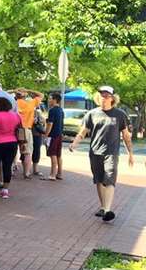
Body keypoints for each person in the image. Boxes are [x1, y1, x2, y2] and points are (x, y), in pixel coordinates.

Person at [69, 86, 134, 222]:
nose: (104, 98)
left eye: (107, 95)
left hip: (111, 152)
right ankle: (103, 207)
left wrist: (130, 154)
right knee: (99, 180)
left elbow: (126, 135)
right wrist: (75, 143)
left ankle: (108, 210)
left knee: (109, 178)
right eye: (102, 95)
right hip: (95, 151)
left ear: (112, 98)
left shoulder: (120, 114)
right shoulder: (92, 114)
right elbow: (83, 132)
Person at [14, 88, 44, 178]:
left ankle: (10, 170)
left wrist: (13, 90)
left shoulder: (13, 103)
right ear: (25, 95)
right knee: (27, 152)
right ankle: (26, 172)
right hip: (26, 129)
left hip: (14, 129)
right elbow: (41, 95)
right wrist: (28, 90)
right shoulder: (30, 103)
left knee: (13, 150)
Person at [43, 93, 65, 181]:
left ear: (55, 100)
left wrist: (46, 135)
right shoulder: (61, 110)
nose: (49, 100)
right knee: (58, 155)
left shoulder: (52, 110)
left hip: (53, 135)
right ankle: (59, 174)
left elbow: (50, 124)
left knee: (53, 154)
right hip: (59, 134)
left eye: (50, 98)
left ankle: (52, 174)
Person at [31, 108, 46, 176]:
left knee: (32, 152)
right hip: (36, 135)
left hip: (33, 134)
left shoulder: (36, 112)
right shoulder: (37, 112)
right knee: (35, 152)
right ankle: (35, 170)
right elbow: (43, 122)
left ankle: (28, 170)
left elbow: (43, 122)